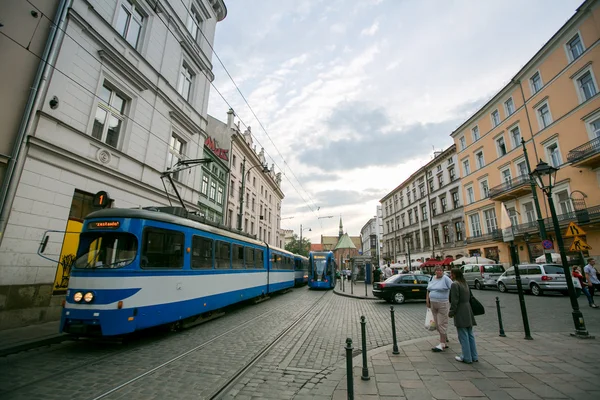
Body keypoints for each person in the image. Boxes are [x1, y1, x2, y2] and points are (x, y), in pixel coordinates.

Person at [448, 268, 478, 364]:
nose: (450, 276)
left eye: (451, 274)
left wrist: (451, 312)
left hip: (460, 310)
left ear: (454, 275)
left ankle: (466, 357)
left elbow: (454, 300)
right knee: (470, 334)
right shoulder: (464, 283)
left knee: (463, 335)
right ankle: (474, 356)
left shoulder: (455, 284)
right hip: (468, 309)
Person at [426, 266, 453, 352]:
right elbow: (428, 290)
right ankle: (444, 341)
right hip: (433, 303)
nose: (439, 272)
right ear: (435, 272)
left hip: (443, 303)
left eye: (441, 270)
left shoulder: (446, 279)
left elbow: (452, 287)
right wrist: (427, 300)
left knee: (442, 323)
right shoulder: (431, 278)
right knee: (437, 324)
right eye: (437, 270)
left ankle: (442, 344)